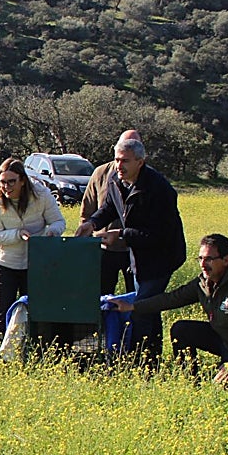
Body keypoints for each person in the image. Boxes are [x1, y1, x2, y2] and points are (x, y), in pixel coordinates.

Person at [77, 136, 186, 364]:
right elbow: (109, 207)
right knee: (148, 306)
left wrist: (122, 235)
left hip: (161, 256)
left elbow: (159, 235)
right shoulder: (117, 179)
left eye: (125, 161)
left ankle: (141, 362)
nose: (119, 166)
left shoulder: (159, 189)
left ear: (140, 161)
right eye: (117, 160)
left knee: (142, 307)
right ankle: (152, 356)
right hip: (138, 254)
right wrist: (92, 223)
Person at [110, 234, 228, 384]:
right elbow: (171, 299)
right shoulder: (203, 283)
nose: (202, 264)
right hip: (223, 340)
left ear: (226, 260)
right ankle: (189, 380)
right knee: (181, 329)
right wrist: (133, 306)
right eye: (200, 258)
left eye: (209, 259)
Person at [0, 157, 65, 340]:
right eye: (2, 182)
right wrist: (18, 234)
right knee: (1, 311)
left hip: (35, 262)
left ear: (22, 180)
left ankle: (34, 349)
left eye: (11, 181)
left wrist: (51, 232)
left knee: (36, 311)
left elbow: (59, 222)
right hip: (3, 262)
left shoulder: (41, 194)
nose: (6, 187)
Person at [81, 129, 140, 295]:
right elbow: (90, 208)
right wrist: (89, 227)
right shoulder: (102, 173)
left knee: (136, 299)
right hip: (103, 249)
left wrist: (123, 235)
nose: (121, 165)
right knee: (100, 297)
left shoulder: (149, 181)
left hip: (134, 251)